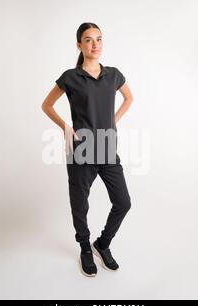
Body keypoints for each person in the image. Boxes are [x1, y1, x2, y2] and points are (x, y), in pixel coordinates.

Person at [41, 22, 133, 277]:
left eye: (99, 39)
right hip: (80, 150)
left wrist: (113, 121)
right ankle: (84, 247)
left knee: (123, 202)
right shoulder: (71, 77)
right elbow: (47, 105)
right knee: (80, 205)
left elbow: (129, 98)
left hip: (107, 148)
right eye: (89, 40)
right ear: (79, 45)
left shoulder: (113, 74)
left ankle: (102, 244)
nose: (95, 45)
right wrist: (65, 127)